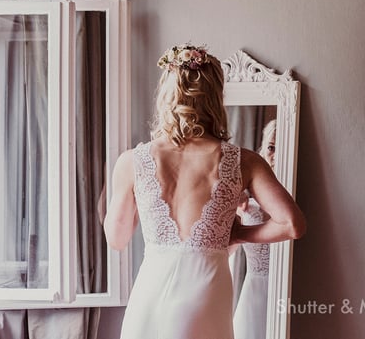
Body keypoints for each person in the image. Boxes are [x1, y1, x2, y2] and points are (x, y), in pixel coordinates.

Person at [104, 44, 305, 339]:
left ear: (167, 95)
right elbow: (292, 224)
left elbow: (117, 240)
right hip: (204, 297)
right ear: (215, 97)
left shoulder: (131, 162)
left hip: (148, 300)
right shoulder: (243, 161)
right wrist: (237, 235)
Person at [233, 120, 276, 339]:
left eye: (281, 147)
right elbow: (226, 250)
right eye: (271, 147)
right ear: (262, 150)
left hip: (289, 290)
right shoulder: (246, 200)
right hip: (254, 291)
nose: (276, 155)